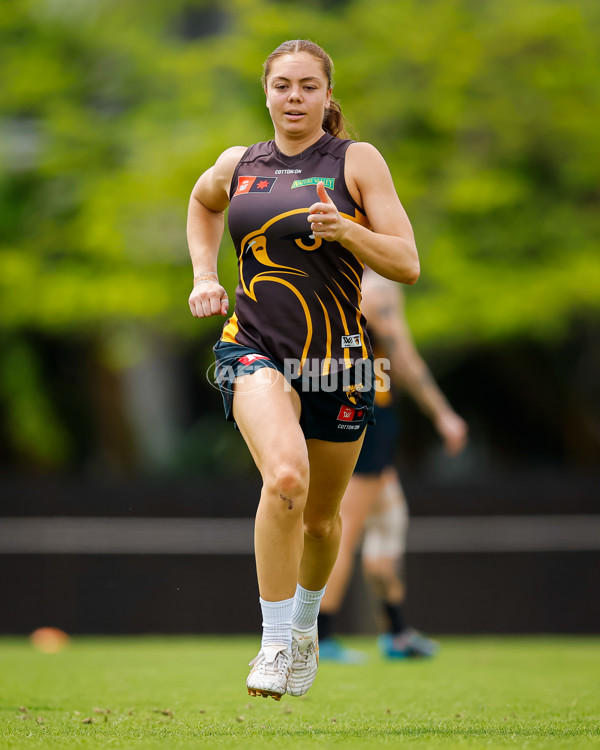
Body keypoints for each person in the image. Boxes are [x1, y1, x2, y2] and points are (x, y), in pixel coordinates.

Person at [186, 39, 420, 700]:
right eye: (282, 85)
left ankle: (309, 630)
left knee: (321, 519)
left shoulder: (357, 162)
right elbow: (203, 203)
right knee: (284, 476)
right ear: (265, 91)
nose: (294, 97)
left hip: (338, 364)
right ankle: (273, 642)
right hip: (253, 347)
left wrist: (348, 231)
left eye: (307, 86)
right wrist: (205, 276)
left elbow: (406, 262)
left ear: (325, 93)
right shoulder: (240, 164)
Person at [318, 268, 468, 662]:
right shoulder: (376, 285)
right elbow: (402, 355)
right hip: (368, 414)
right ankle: (319, 637)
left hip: (342, 407)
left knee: (388, 520)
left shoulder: (325, 278)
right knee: (344, 531)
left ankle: (397, 632)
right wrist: (443, 413)